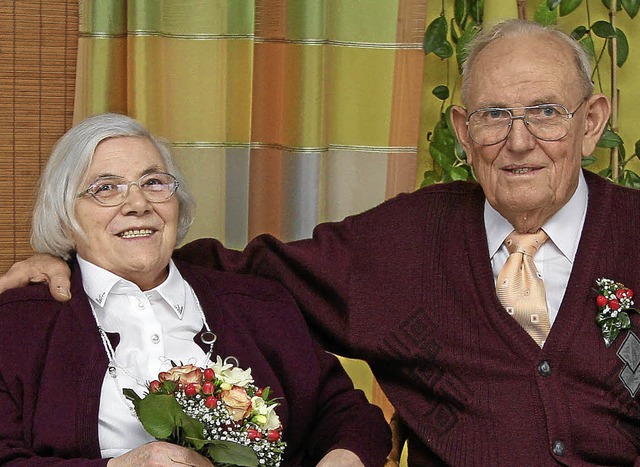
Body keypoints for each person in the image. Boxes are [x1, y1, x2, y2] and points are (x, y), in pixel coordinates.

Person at [2, 19, 638, 465]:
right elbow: (212, 273)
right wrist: (69, 260)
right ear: (463, 131)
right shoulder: (402, 241)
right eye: (495, 115)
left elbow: (343, 413)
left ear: (591, 123)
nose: (519, 140)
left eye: (546, 112)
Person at [0, 113, 391, 466]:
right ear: (66, 216)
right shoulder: (18, 324)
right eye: (106, 188)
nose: (137, 203)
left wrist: (342, 459)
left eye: (154, 182)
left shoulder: (258, 304)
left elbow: (347, 414)